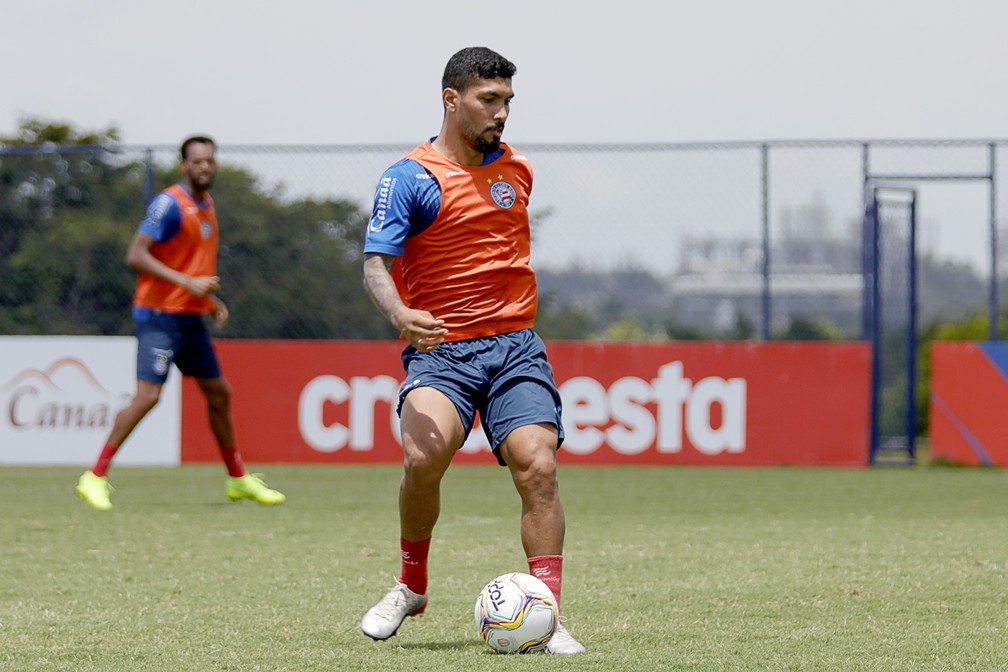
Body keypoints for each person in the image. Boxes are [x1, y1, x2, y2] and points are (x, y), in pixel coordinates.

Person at [358, 47, 585, 655]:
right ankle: (410, 585)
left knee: (537, 464)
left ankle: (550, 613)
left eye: (508, 101)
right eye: (490, 99)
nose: (502, 113)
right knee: (421, 460)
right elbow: (377, 263)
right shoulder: (409, 178)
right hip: (442, 352)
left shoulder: (518, 171)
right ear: (451, 99)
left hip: (515, 347)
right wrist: (400, 314)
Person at [75, 135, 285, 511]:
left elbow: (193, 264)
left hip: (191, 316)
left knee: (219, 392)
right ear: (184, 165)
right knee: (148, 397)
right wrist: (187, 284)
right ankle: (95, 475)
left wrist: (208, 299)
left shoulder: (207, 204)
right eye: (197, 162)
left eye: (210, 160)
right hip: (159, 316)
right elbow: (135, 254)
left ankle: (238, 479)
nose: (205, 167)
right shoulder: (169, 204)